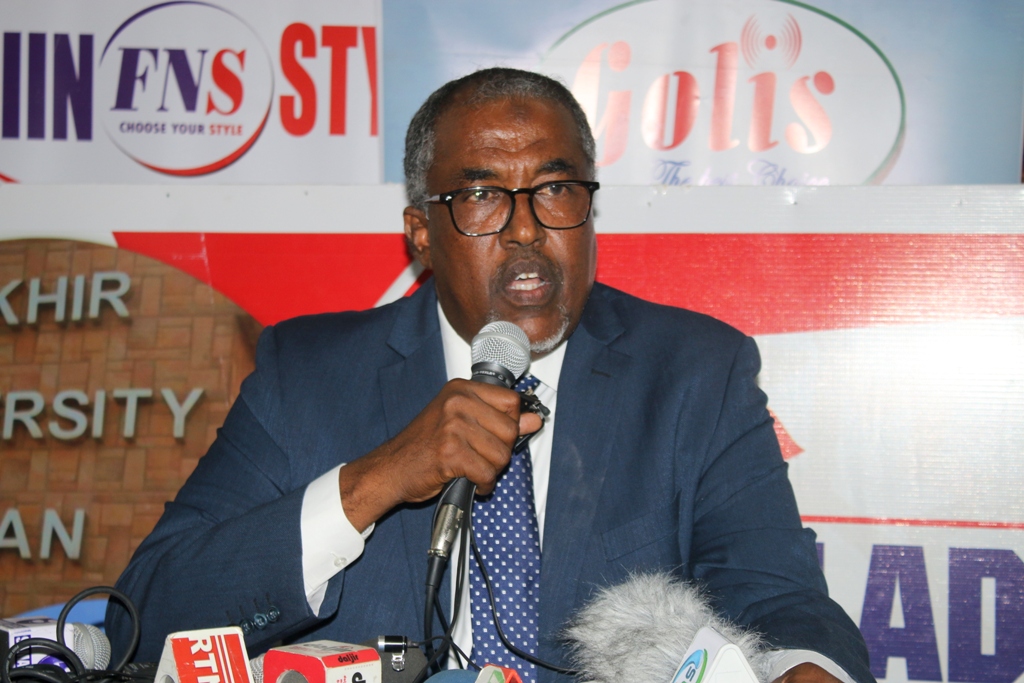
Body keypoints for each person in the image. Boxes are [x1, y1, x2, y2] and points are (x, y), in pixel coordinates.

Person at [106, 68, 873, 683]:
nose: (527, 229)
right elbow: (141, 615)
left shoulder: (694, 372)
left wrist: (802, 666)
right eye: (480, 196)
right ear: (421, 233)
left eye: (556, 189)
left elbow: (779, 598)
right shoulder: (305, 373)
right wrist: (377, 479)